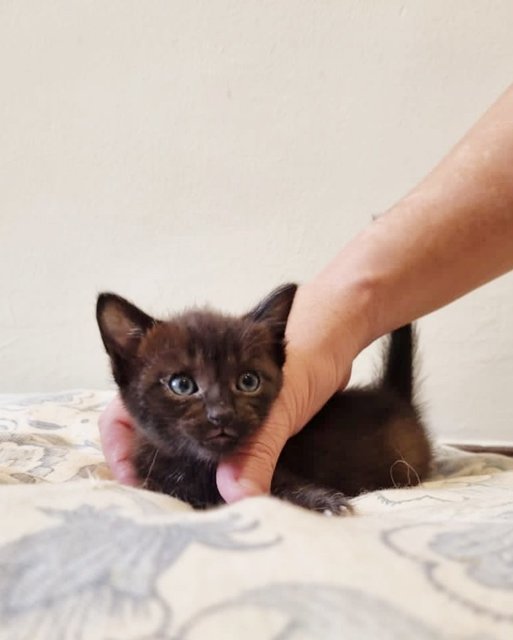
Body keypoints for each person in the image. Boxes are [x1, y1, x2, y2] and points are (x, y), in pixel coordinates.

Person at [99, 83, 513, 502]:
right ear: (127, 369)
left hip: (393, 439)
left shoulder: (276, 437)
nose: (220, 410)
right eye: (184, 385)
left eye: (245, 381)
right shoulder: (153, 457)